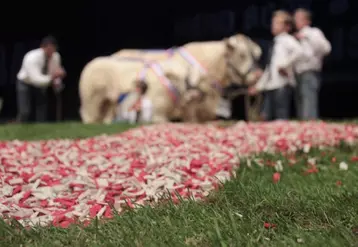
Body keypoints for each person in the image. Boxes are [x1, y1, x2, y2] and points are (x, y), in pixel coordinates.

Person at [248, 10, 303, 121]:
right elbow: (269, 69)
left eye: (277, 23)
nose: (273, 26)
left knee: (281, 114)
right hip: (271, 85)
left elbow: (299, 51)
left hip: (282, 84)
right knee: (265, 115)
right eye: (273, 23)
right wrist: (258, 87)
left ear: (287, 26)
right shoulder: (275, 42)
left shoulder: (288, 39)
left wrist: (284, 65)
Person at [16, 35, 65, 123]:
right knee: (25, 111)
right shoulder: (32, 57)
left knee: (42, 107)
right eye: (49, 49)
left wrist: (58, 82)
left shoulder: (56, 56)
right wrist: (52, 78)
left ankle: (41, 127)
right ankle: (20, 126)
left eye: (53, 49)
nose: (51, 51)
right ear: (42, 47)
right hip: (25, 82)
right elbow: (36, 79)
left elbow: (54, 71)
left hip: (42, 82)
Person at [293, 8, 331, 120]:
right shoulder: (295, 36)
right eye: (295, 18)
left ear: (307, 20)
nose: (296, 21)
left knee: (309, 100)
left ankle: (310, 125)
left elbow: (327, 48)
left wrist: (307, 37)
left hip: (310, 71)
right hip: (297, 72)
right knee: (299, 101)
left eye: (299, 18)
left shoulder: (314, 32)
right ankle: (303, 128)